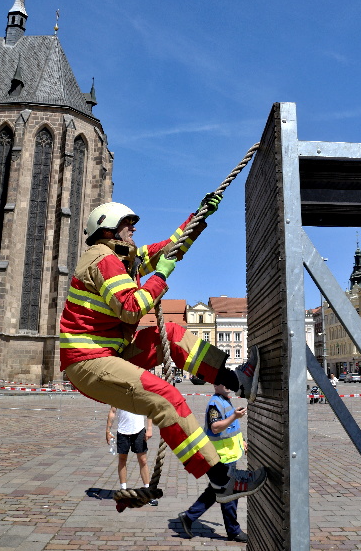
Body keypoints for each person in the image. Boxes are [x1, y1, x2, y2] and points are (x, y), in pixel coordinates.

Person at [60, 200, 266, 506]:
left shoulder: (122, 258)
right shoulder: (102, 259)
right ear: (108, 227)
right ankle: (223, 481)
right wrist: (160, 277)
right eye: (128, 223)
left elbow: (168, 249)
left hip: (110, 354)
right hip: (88, 361)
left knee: (171, 334)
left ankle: (236, 382)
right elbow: (132, 309)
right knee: (165, 397)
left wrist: (198, 218)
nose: (134, 228)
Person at [178, 382, 248, 542]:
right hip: (220, 459)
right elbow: (215, 427)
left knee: (216, 491)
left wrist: (241, 440)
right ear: (215, 385)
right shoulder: (214, 404)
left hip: (229, 457)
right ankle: (233, 531)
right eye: (223, 382)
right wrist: (234, 416)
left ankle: (188, 518)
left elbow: (231, 428)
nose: (228, 384)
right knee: (229, 494)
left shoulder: (225, 399)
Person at [106, 406, 158, 506]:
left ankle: (147, 491)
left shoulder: (139, 392)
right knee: (122, 459)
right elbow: (112, 411)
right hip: (123, 431)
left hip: (139, 431)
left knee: (143, 460)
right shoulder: (118, 392)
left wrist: (150, 428)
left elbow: (149, 409)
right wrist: (108, 431)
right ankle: (123, 491)